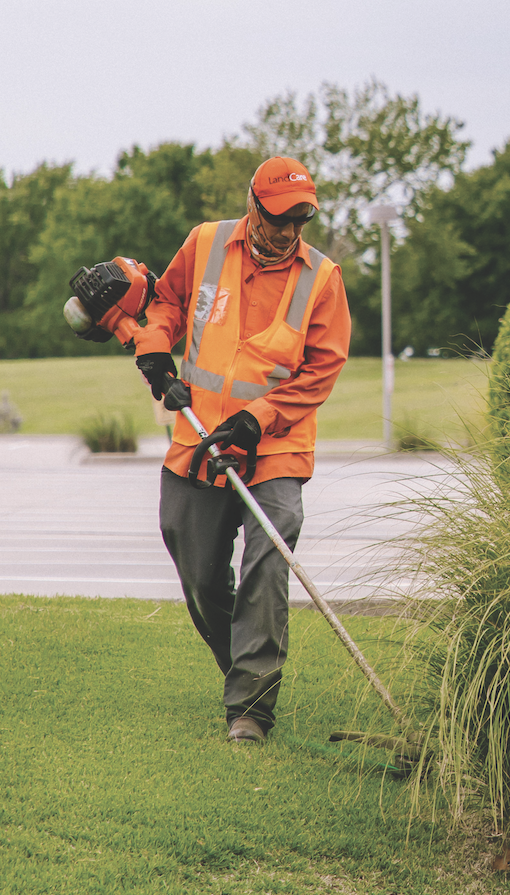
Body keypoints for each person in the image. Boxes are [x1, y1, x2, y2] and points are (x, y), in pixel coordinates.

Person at [129, 155, 350, 743]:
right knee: (199, 572)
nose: (287, 231)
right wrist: (155, 353)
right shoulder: (205, 243)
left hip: (274, 446)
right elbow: (165, 305)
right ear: (252, 204)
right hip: (199, 436)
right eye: (277, 218)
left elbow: (322, 370)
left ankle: (250, 706)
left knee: (268, 554)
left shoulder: (322, 280)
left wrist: (258, 419)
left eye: (299, 220)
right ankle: (247, 671)